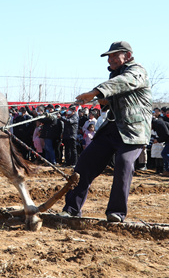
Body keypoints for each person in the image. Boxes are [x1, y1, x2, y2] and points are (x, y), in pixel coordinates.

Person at [61, 41, 152, 222]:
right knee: (83, 166)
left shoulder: (137, 71)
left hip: (133, 131)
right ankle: (71, 209)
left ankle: (116, 212)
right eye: (108, 56)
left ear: (127, 55)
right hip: (111, 128)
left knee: (124, 165)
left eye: (113, 55)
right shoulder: (114, 75)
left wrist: (95, 92)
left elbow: (123, 83)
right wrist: (100, 100)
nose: (109, 59)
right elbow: (110, 100)